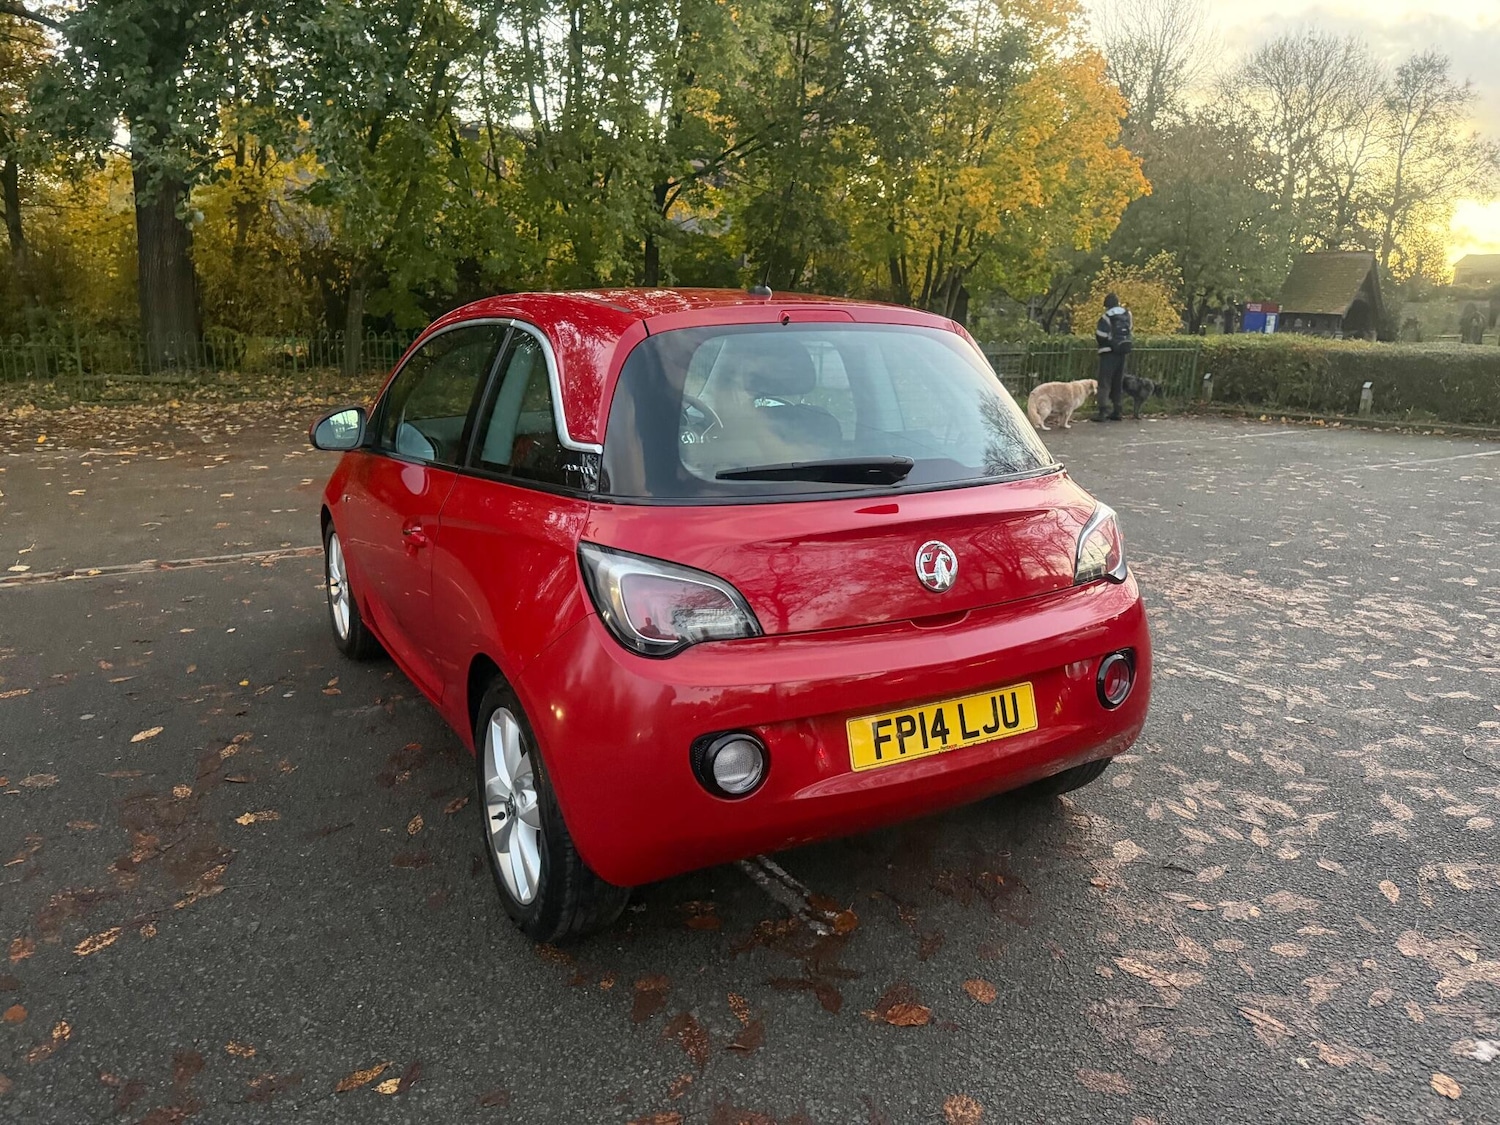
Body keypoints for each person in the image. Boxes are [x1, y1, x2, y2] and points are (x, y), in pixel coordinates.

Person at [1094, 292, 1132, 421]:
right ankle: (1118, 411)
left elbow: (1101, 335)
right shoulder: (1127, 314)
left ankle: (1103, 411)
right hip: (1123, 351)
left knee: (1104, 382)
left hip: (1108, 353)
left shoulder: (1106, 317)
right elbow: (1130, 329)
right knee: (1118, 382)